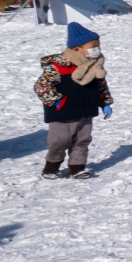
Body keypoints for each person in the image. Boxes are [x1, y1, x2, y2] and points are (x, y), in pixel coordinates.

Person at [34, 22, 113, 180]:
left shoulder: (95, 66)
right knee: (59, 141)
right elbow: (41, 86)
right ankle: (52, 167)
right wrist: (56, 101)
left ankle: (77, 168)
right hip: (62, 112)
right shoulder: (57, 67)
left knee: (82, 140)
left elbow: (101, 85)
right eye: (93, 46)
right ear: (77, 49)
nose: (97, 49)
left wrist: (105, 102)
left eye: (98, 46)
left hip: (85, 111)